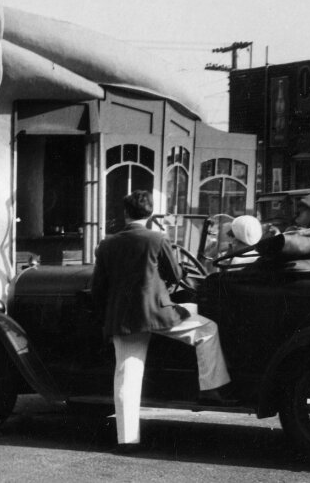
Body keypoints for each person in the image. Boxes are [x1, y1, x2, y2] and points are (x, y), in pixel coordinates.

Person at [91, 190, 236, 453]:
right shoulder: (157, 238)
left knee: (126, 375)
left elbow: (98, 288)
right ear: (150, 213)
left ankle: (127, 440)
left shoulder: (107, 244)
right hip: (159, 314)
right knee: (207, 328)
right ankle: (210, 388)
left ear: (125, 213)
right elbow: (177, 274)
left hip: (124, 318)